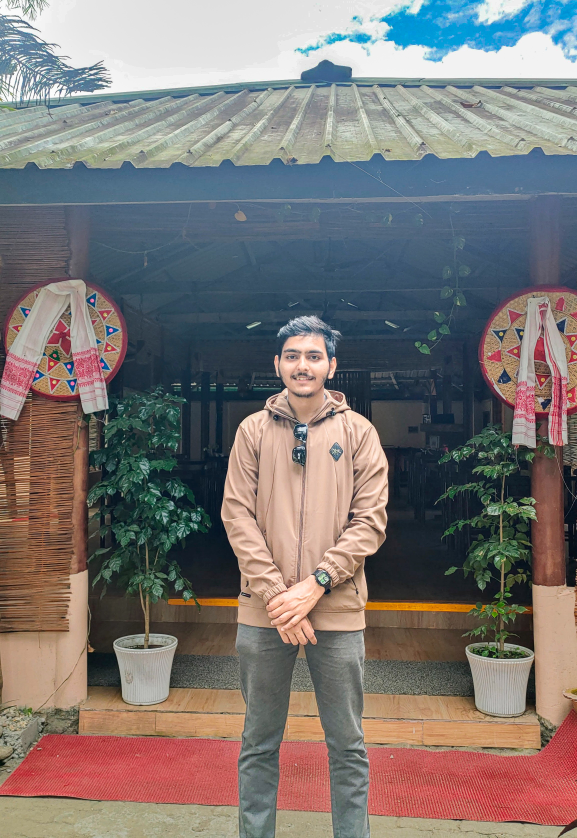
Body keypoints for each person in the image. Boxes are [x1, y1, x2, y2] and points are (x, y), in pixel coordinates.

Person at [222, 315, 389, 838]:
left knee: (347, 744)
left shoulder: (358, 433)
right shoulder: (252, 431)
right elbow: (236, 515)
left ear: (331, 366)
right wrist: (279, 596)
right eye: (292, 356)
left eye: (314, 356)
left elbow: (370, 521)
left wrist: (315, 584)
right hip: (264, 610)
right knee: (258, 741)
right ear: (277, 364)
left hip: (336, 609)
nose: (303, 365)